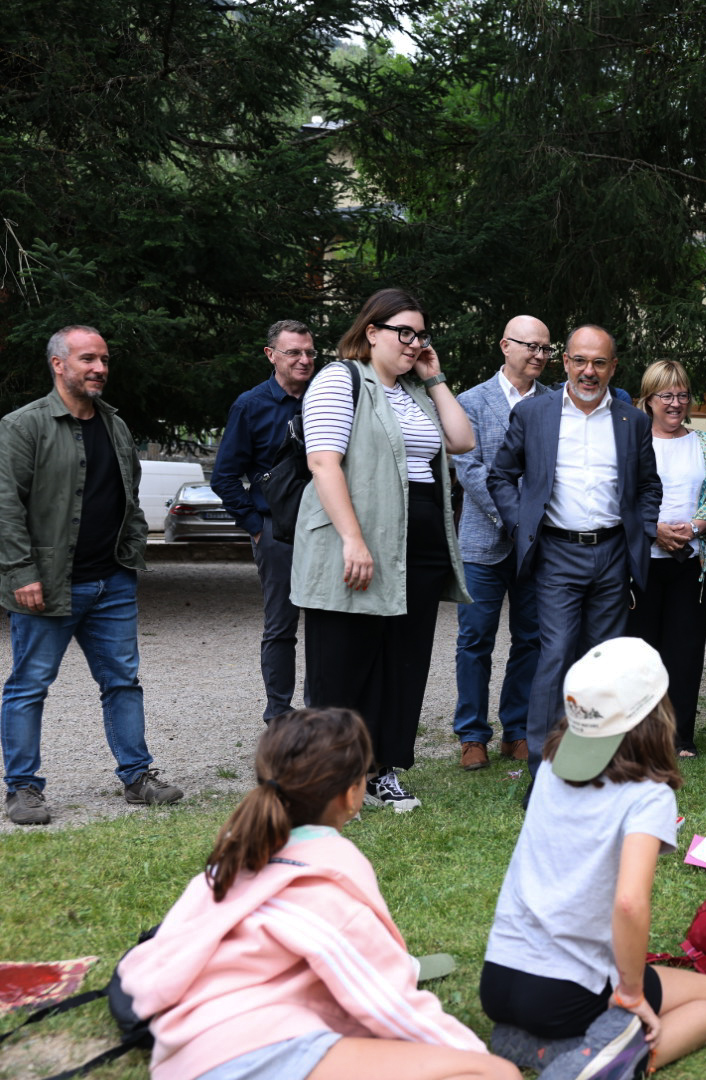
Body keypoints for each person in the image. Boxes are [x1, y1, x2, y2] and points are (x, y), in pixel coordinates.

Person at [119, 708, 514, 1080]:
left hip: (180, 1054)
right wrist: (473, 1054)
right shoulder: (331, 878)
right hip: (256, 1054)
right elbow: (387, 1002)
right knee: (494, 1073)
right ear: (351, 795)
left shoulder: (228, 861)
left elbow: (155, 959)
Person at [481, 638, 706, 1077]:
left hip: (499, 980)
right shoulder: (648, 795)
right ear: (658, 710)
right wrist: (631, 993)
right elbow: (629, 903)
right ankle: (609, 1065)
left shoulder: (551, 767)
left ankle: (540, 1045)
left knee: (593, 999)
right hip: (565, 992)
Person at [291, 288, 474, 813]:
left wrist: (434, 378)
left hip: (420, 543)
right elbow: (323, 463)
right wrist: (353, 538)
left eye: (421, 334)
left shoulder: (416, 392)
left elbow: (462, 441)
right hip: (361, 537)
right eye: (404, 332)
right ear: (372, 332)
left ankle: (381, 770)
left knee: (402, 662)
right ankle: (327, 777)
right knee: (344, 661)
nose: (414, 343)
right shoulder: (340, 378)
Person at [0, 325, 182, 826]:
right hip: (47, 585)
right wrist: (21, 572)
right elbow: (5, 507)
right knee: (29, 686)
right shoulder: (23, 426)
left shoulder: (115, 425)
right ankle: (22, 788)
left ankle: (137, 776)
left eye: (103, 359)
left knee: (123, 681)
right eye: (87, 359)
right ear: (58, 364)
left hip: (112, 582)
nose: (99, 368)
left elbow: (130, 497)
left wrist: (132, 555)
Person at [488, 325, 661, 758]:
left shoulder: (633, 421)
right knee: (556, 655)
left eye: (599, 363)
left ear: (613, 367)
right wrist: (521, 527)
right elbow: (501, 476)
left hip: (613, 553)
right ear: (565, 361)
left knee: (604, 661)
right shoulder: (534, 413)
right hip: (556, 553)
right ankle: (544, 767)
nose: (589, 371)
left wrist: (642, 532)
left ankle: (594, 762)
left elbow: (648, 486)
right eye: (580, 360)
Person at [450, 315, 552, 771]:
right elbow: (469, 469)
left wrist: (533, 526)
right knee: (475, 640)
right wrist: (513, 521)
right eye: (530, 345)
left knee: (530, 639)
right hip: (482, 543)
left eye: (545, 348)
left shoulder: (555, 402)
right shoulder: (470, 401)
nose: (538, 355)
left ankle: (517, 731)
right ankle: (472, 735)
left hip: (540, 544)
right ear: (505, 346)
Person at [212, 319, 317, 722]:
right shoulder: (250, 405)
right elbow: (224, 476)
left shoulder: (325, 397)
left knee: (327, 623)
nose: (304, 359)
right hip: (276, 530)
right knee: (281, 625)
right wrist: (257, 527)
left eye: (309, 352)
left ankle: (322, 709)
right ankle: (280, 713)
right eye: (293, 352)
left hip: (327, 527)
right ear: (271, 355)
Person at [626, 360, 706, 758]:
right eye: (666, 395)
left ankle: (680, 736)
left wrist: (694, 528)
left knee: (685, 651)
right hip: (642, 562)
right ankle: (640, 734)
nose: (675, 403)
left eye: (683, 395)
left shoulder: (703, 443)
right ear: (648, 399)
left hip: (692, 563)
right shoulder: (632, 442)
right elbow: (620, 495)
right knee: (641, 653)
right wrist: (654, 529)